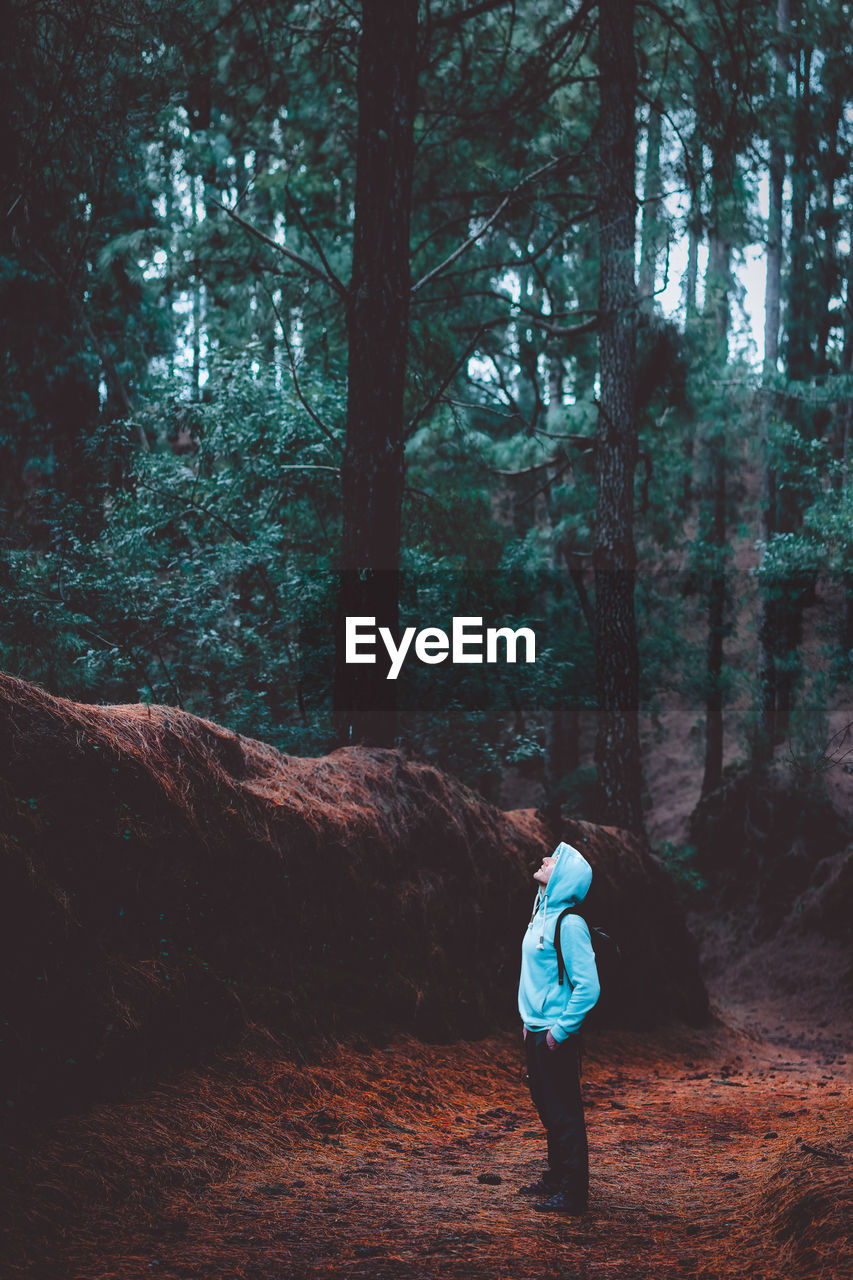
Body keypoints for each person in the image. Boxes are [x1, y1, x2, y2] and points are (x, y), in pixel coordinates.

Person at [517, 840, 600, 1215]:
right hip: (536, 1030)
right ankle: (556, 1177)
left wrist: (559, 1031)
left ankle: (574, 1193)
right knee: (548, 1109)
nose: (545, 859)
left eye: (555, 860)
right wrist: (528, 1022)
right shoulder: (540, 916)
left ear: (564, 877)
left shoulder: (570, 923)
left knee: (565, 1112)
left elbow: (589, 987)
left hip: (555, 1036)